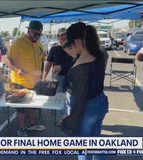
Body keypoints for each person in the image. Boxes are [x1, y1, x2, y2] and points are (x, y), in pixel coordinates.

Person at [59, 22, 109, 160]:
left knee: (83, 148)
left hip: (87, 108)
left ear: (78, 41)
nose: (71, 47)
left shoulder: (81, 67)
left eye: (72, 44)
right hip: (100, 102)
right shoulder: (99, 55)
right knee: (96, 142)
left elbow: (81, 100)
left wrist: (69, 121)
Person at [3, 20, 46, 136]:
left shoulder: (38, 44)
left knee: (32, 103)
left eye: (39, 34)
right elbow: (6, 59)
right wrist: (17, 70)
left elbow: (42, 59)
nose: (36, 36)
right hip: (19, 81)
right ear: (28, 31)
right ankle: (21, 128)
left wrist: (42, 74)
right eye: (34, 33)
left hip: (34, 81)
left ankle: (30, 124)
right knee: (21, 107)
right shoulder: (18, 43)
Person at [42, 28, 75, 122]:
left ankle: (69, 119)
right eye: (61, 35)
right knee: (60, 98)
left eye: (65, 35)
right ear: (57, 37)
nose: (64, 37)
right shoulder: (54, 49)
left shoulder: (73, 49)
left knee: (70, 98)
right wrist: (44, 77)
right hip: (58, 78)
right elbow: (48, 64)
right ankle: (63, 118)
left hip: (72, 78)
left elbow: (77, 62)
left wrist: (62, 67)